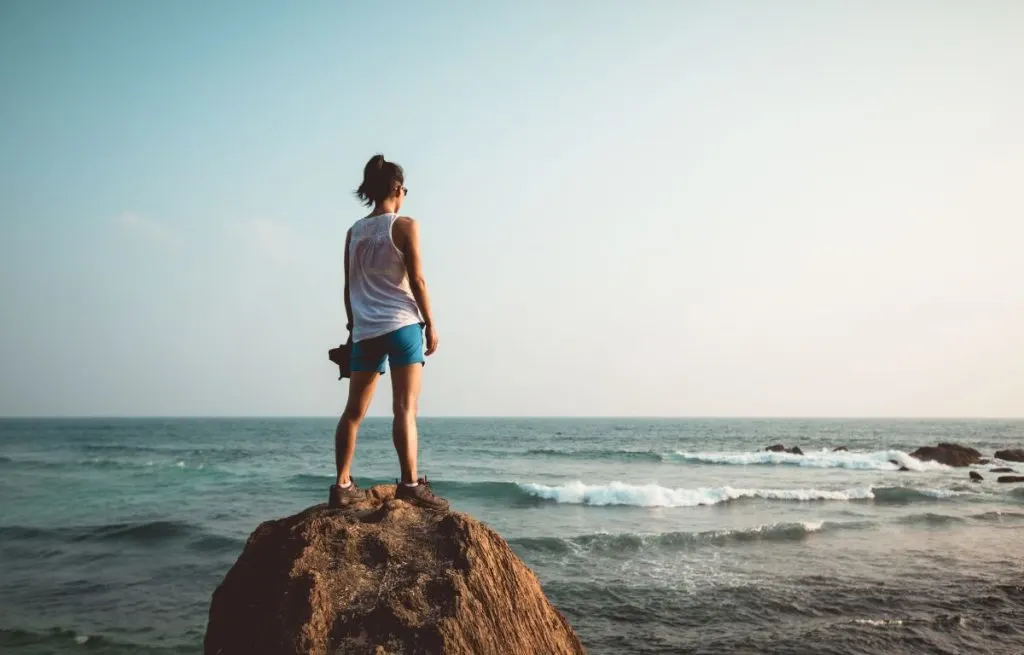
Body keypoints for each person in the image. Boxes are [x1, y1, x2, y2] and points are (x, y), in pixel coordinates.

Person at [329, 154, 449, 511]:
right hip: (402, 325)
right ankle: (410, 485)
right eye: (405, 189)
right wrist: (430, 324)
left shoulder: (354, 233)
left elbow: (349, 288)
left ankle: (342, 486)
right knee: (405, 408)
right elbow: (418, 280)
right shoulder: (405, 225)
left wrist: (354, 330)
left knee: (353, 412)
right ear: (397, 188)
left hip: (366, 330)